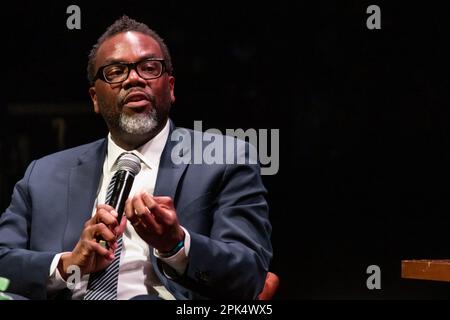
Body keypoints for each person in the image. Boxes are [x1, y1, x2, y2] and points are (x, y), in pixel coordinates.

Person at [0, 16, 272, 300]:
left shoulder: (225, 160)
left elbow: (250, 275)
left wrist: (176, 245)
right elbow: (3, 263)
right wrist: (67, 266)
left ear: (170, 87)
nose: (134, 78)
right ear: (94, 97)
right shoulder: (42, 175)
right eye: (116, 71)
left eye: (149, 68)